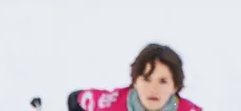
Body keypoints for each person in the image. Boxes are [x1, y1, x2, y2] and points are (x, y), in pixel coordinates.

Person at [67, 44, 202, 111]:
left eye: (163, 81)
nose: (153, 89)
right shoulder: (110, 104)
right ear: (135, 81)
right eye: (146, 79)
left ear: (175, 86)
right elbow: (76, 99)